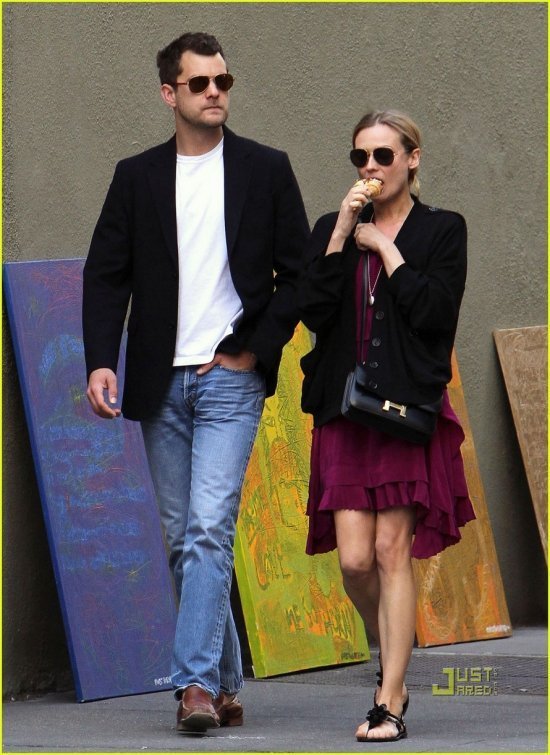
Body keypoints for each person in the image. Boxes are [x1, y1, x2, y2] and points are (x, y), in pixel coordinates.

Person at [82, 32, 309, 733]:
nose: (215, 92)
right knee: (184, 540)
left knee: (210, 527)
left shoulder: (266, 169)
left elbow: (300, 276)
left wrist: (252, 350)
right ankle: (226, 681)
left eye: (223, 81)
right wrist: (100, 358)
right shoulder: (137, 176)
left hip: (229, 381)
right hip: (160, 381)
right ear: (169, 93)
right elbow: (106, 273)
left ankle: (193, 687)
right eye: (200, 83)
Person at [298, 110, 475, 742]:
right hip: (345, 412)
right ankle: (393, 649)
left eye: (383, 155)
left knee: (390, 551)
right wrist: (344, 232)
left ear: (412, 158)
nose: (370, 167)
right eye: (360, 157)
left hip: (402, 411)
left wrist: (387, 249)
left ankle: (391, 696)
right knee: (354, 561)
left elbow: (434, 314)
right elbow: (314, 311)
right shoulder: (336, 229)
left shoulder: (442, 229)